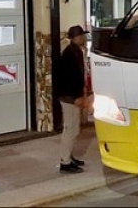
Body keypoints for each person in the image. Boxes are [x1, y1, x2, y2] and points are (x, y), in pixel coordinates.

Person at [55, 25, 89, 174]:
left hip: (70, 96)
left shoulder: (74, 51)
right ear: (76, 37)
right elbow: (69, 79)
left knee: (73, 128)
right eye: (82, 35)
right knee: (70, 129)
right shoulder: (71, 53)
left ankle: (69, 156)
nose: (84, 38)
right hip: (69, 98)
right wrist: (76, 97)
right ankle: (65, 161)